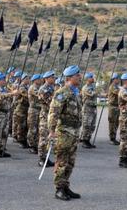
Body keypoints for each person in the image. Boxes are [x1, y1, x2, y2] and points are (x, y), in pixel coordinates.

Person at [48, 65, 82, 201]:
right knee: (62, 161)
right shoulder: (62, 92)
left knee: (70, 162)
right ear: (69, 78)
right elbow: (53, 113)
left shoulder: (75, 92)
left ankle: (66, 186)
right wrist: (51, 131)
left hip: (73, 133)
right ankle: (59, 189)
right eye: (77, 75)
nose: (79, 77)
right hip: (64, 133)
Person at [0, 72, 18, 158]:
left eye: (4, 79)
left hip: (6, 112)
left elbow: (9, 95)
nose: (4, 81)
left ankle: (2, 148)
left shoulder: (5, 89)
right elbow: (1, 95)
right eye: (3, 80)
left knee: (4, 132)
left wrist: (14, 92)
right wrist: (12, 93)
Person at [37, 71, 56, 167]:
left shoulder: (52, 88)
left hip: (50, 116)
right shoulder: (43, 89)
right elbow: (50, 102)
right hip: (45, 116)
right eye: (52, 77)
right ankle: (41, 159)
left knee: (48, 139)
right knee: (43, 138)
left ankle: (46, 158)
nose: (54, 79)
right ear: (47, 78)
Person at [80, 72, 97, 148]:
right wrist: (95, 87)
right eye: (92, 77)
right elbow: (92, 94)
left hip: (93, 108)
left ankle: (88, 140)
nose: (93, 78)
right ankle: (84, 141)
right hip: (87, 108)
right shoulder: (85, 87)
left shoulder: (92, 86)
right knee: (86, 125)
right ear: (88, 79)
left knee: (92, 126)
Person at [27, 74, 43, 154]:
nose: (41, 80)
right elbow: (40, 95)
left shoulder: (39, 87)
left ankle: (36, 144)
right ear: (35, 80)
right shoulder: (33, 88)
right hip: (33, 110)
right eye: (39, 79)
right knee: (32, 128)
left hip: (38, 110)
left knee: (37, 128)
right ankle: (31, 145)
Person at [13, 73, 30, 148]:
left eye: (28, 79)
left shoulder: (27, 87)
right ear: (23, 80)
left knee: (25, 125)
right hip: (21, 108)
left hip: (26, 108)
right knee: (21, 125)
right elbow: (26, 95)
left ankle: (24, 139)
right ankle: (20, 140)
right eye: (26, 79)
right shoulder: (21, 87)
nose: (28, 80)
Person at [107, 73, 120, 145]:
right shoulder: (112, 86)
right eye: (117, 78)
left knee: (116, 123)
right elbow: (118, 92)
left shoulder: (116, 86)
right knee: (112, 123)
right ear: (114, 79)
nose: (118, 80)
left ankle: (114, 137)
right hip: (112, 107)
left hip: (117, 106)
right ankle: (112, 138)